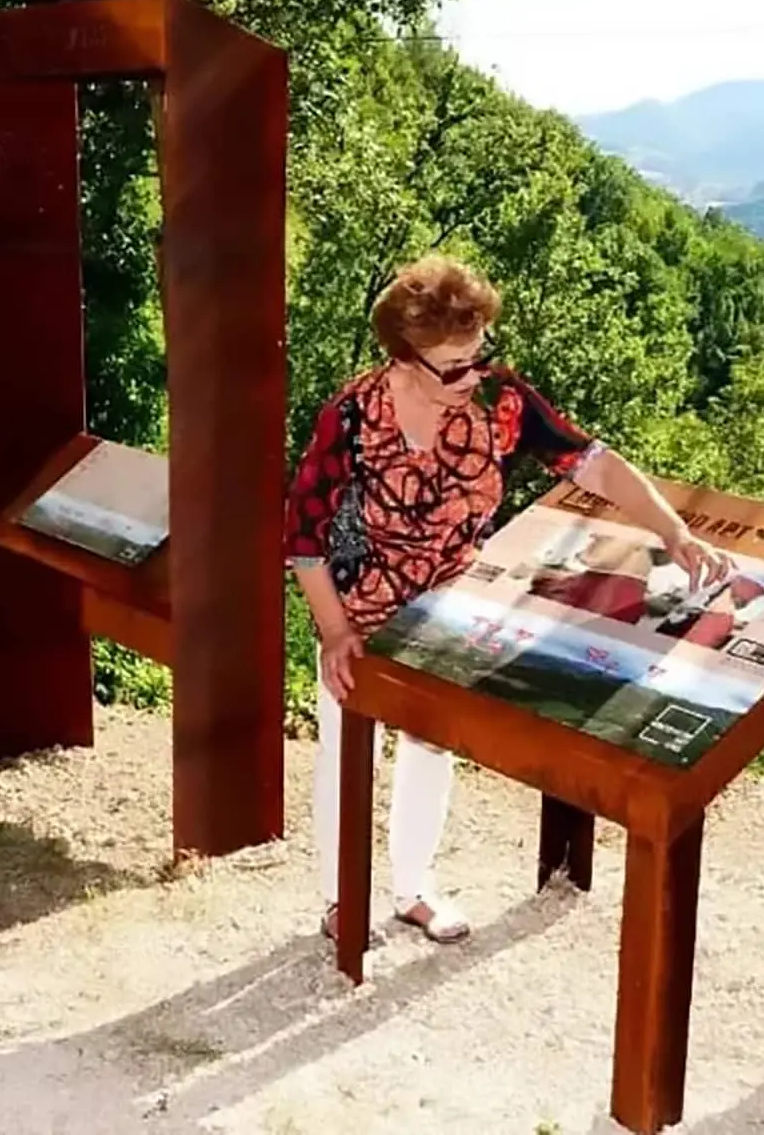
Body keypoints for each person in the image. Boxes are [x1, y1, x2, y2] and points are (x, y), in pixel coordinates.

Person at [284, 254, 732, 944]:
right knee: (347, 752)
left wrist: (671, 532)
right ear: (404, 360)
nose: (471, 374)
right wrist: (335, 631)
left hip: (450, 607)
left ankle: (411, 889)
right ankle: (340, 899)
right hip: (356, 609)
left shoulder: (500, 401)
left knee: (432, 747)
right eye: (453, 364)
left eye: (477, 353)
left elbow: (594, 461)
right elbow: (303, 533)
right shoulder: (350, 414)